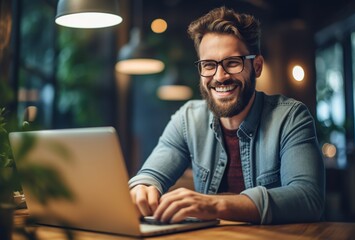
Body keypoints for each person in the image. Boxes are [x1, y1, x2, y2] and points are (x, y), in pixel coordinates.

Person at [129, 6, 325, 224]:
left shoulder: (291, 117)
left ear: (257, 66)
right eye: (209, 65)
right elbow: (150, 175)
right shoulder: (187, 120)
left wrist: (212, 205)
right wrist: (142, 189)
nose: (219, 77)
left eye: (232, 63)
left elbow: (308, 199)